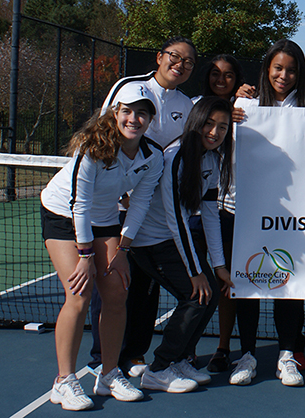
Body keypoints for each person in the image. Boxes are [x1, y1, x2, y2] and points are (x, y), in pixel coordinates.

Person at [41, 83, 162, 410]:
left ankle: (109, 375)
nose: (133, 119)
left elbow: (139, 205)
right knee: (78, 294)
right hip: (63, 213)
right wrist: (85, 257)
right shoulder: (92, 148)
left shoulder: (153, 157)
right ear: (115, 114)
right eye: (127, 111)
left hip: (106, 219)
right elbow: (79, 205)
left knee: (117, 292)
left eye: (142, 113)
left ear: (151, 119)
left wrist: (122, 250)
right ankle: (64, 381)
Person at [88, 36, 197, 378]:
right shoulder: (130, 87)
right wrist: (119, 189)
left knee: (146, 287)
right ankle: (100, 358)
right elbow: (104, 134)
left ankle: (134, 354)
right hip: (115, 206)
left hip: (154, 208)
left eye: (188, 62)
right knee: (112, 283)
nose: (179, 65)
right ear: (159, 56)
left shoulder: (187, 105)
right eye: (174, 57)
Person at [228, 39, 305, 387]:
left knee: (290, 284)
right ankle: (248, 355)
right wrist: (231, 112)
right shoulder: (244, 104)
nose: (284, 76)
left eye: (291, 70)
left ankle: (288, 354)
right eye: (278, 68)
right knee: (247, 282)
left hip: (292, 218)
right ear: (267, 70)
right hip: (246, 213)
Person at [130, 96, 235, 393]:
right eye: (209, 124)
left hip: (171, 239)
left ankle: (178, 360)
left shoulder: (212, 159)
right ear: (196, 122)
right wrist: (195, 271)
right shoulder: (174, 156)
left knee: (211, 294)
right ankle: (159, 368)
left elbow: (211, 213)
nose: (214, 132)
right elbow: (176, 218)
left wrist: (218, 266)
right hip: (149, 242)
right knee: (195, 295)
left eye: (223, 127)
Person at [191, 54, 246, 374]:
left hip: (229, 213)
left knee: (227, 287)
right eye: (215, 73)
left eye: (228, 74)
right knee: (199, 287)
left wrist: (245, 103)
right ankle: (187, 351)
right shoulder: (195, 105)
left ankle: (223, 347)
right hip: (197, 212)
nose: (221, 79)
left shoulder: (245, 107)